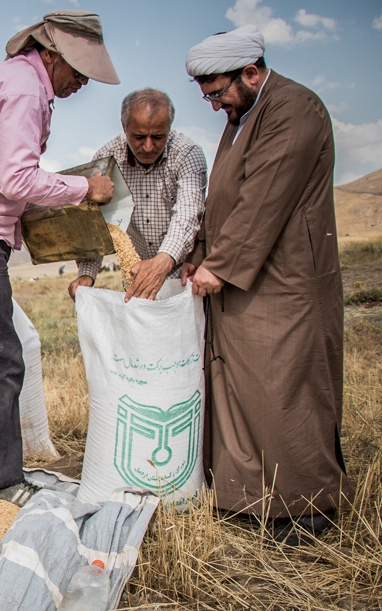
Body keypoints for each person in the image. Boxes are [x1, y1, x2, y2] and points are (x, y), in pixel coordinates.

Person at [0, 11, 118, 507]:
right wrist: (85, 188)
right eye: (79, 71)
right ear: (52, 55)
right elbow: (17, 181)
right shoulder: (27, 89)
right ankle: (3, 483)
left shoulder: (10, 78)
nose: (82, 82)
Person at [182, 25, 351, 544]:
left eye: (218, 93)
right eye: (207, 97)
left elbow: (265, 197)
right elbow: (222, 198)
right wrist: (198, 255)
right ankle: (251, 498)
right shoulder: (241, 117)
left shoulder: (294, 108)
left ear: (251, 72)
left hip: (287, 283)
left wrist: (220, 265)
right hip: (246, 280)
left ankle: (306, 509)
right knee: (243, 390)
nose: (214, 105)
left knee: (287, 391)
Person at [68, 88, 207, 302]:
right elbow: (98, 220)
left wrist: (163, 260)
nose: (149, 147)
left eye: (158, 137)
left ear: (169, 128)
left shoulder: (187, 154)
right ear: (124, 127)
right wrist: (87, 273)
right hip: (136, 277)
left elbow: (188, 213)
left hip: (183, 275)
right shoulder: (107, 159)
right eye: (139, 137)